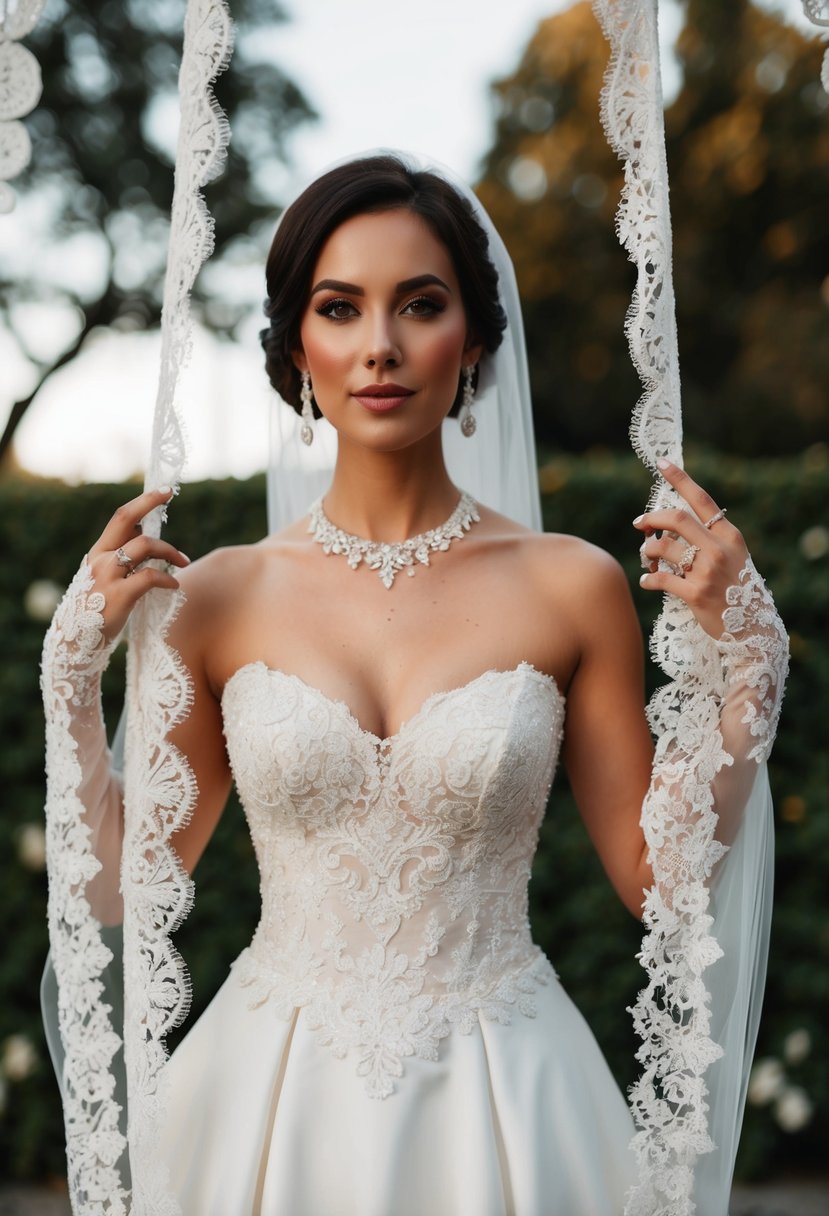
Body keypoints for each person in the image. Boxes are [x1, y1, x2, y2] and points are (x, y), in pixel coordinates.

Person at [41, 154, 788, 1215]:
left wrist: (748, 655)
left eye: (420, 305)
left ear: (473, 340)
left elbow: (658, 883)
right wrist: (71, 675)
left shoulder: (570, 584)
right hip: (265, 1109)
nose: (380, 346)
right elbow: (120, 885)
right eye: (339, 308)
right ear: (298, 343)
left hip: (509, 1107)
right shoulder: (212, 596)